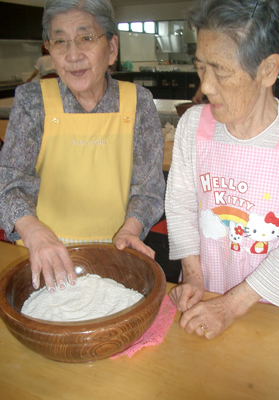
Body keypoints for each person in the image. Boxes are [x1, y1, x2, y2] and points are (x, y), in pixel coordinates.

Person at [0, 0, 165, 292]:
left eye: (86, 38)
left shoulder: (138, 102)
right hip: (39, 255)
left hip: (115, 253)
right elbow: (9, 183)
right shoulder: (32, 101)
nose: (72, 55)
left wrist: (131, 229)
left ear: (112, 48)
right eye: (60, 41)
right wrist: (35, 232)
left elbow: (149, 189)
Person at [165, 0, 279, 339]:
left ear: (268, 70)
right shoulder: (194, 125)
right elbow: (181, 205)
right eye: (200, 68)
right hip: (204, 298)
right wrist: (193, 278)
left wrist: (229, 306)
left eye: (220, 71)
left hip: (273, 309)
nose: (206, 86)